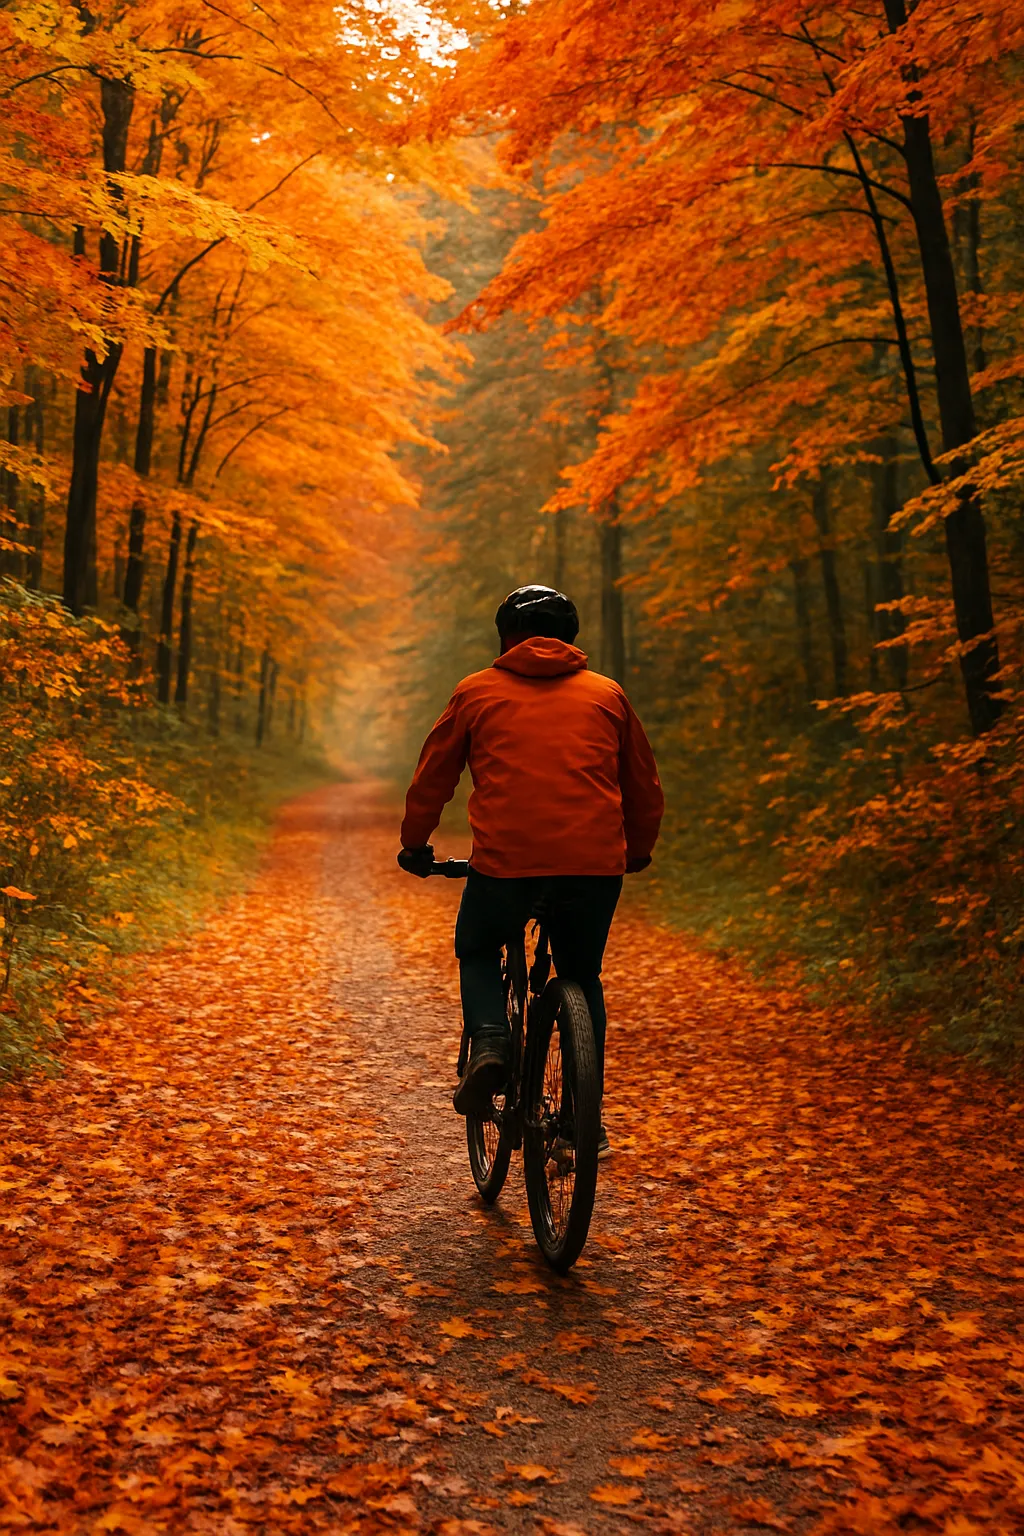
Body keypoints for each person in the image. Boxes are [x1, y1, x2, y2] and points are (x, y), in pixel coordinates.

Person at [398, 584, 663, 1157]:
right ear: (571, 638)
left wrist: (415, 844)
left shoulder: (476, 691)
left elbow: (433, 777)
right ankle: (580, 1122)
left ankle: (492, 1042)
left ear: (505, 638)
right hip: (593, 865)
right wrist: (637, 849)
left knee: (477, 946)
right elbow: (642, 784)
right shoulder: (608, 695)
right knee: (581, 975)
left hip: (506, 863)